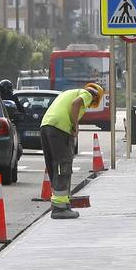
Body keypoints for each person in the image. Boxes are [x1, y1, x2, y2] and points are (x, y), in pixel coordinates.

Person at [40, 81, 103, 220]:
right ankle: (59, 209)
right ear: (96, 97)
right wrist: (75, 126)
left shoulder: (68, 92)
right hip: (60, 128)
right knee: (63, 166)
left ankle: (60, 203)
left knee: (53, 166)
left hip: (46, 126)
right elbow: (76, 104)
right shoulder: (87, 94)